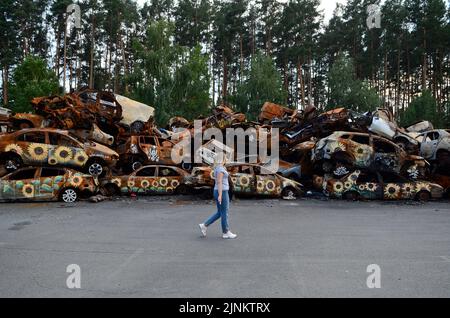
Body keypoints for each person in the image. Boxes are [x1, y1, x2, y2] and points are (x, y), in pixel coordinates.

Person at [198, 156, 237, 239]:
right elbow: (219, 182)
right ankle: (226, 232)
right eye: (225, 158)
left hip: (221, 191)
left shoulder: (219, 168)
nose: (226, 159)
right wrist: (220, 195)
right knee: (224, 212)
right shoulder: (220, 169)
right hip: (222, 192)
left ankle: (204, 225)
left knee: (220, 212)